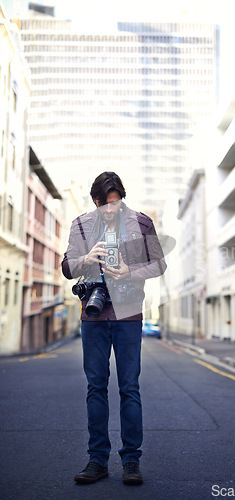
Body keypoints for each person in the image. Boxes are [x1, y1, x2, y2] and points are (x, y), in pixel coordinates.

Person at [61, 172, 166, 485]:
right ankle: (97, 461)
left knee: (129, 387)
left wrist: (129, 270)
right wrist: (86, 258)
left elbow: (159, 264)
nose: (112, 208)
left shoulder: (140, 222)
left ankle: (131, 460)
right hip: (93, 316)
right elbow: (67, 268)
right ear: (95, 201)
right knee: (96, 387)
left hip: (128, 313)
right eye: (106, 204)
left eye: (116, 202)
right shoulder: (81, 224)